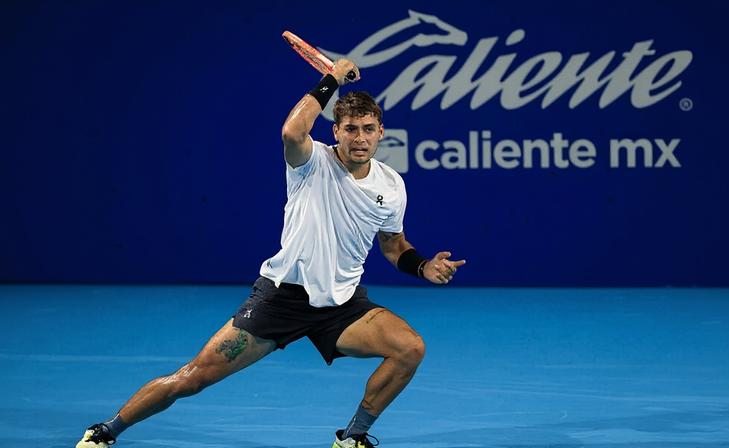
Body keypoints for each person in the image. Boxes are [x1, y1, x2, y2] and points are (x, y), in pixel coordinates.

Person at [76, 58, 465, 448]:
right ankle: (106, 431)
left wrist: (423, 266)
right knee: (194, 377)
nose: (359, 138)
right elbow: (292, 130)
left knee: (409, 348)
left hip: (341, 305)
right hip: (282, 297)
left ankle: (352, 437)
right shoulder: (311, 162)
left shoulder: (392, 185)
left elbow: (393, 245)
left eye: (367, 129)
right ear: (336, 132)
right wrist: (330, 79)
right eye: (350, 129)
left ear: (381, 132)